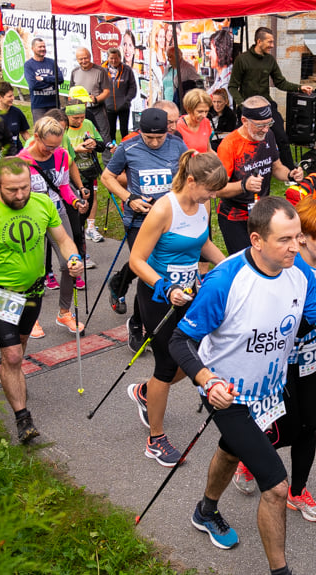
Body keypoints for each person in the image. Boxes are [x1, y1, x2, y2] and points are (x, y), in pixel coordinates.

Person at [169, 196, 316, 573]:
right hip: (227, 392)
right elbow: (181, 341)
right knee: (275, 487)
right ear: (257, 240)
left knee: (230, 449)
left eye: (297, 237)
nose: (297, 246)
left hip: (268, 389)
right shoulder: (225, 280)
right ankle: (281, 571)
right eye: (286, 240)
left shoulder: (300, 274)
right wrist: (207, 381)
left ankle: (205, 510)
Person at [231, 195, 316, 524]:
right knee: (283, 429)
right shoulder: (289, 266)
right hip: (278, 362)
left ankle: (298, 490)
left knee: (309, 426)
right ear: (302, 236)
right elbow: (284, 322)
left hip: (311, 359)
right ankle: (249, 457)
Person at [0, 157, 84, 442]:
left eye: (24, 187)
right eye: (12, 190)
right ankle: (23, 418)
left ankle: (12, 378)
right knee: (10, 354)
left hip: (34, 292)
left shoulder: (43, 203)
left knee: (19, 349)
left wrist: (73, 257)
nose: (20, 195)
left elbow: (62, 239)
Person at [127, 150, 227, 466]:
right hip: (158, 296)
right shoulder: (163, 210)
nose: (213, 196)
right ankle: (155, 439)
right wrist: (164, 286)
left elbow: (202, 244)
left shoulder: (203, 205)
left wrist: (228, 265)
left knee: (192, 357)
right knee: (168, 364)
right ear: (192, 180)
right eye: (210, 189)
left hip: (189, 293)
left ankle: (147, 392)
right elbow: (136, 260)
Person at [101, 107, 188, 352]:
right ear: (140, 132)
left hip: (170, 219)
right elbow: (107, 177)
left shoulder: (177, 146)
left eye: (159, 137)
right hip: (140, 220)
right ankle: (139, 323)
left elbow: (186, 175)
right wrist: (129, 198)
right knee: (147, 269)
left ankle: (120, 284)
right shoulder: (128, 148)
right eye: (149, 138)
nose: (154, 142)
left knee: (156, 268)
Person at [18, 117, 89, 336]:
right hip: (31, 220)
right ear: (36, 137)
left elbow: (64, 187)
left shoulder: (62, 155)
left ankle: (64, 312)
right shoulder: (22, 160)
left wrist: (76, 201)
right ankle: (30, 317)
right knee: (34, 270)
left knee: (71, 262)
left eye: (56, 146)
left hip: (57, 214)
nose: (52, 150)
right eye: (48, 146)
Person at [215, 96, 303, 254]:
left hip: (261, 213)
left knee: (265, 258)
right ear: (244, 120)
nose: (265, 129)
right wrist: (244, 185)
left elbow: (276, 167)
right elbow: (217, 189)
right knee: (244, 263)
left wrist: (290, 174)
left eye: (269, 124)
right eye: (260, 125)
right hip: (235, 216)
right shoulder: (229, 145)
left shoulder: (267, 136)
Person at [229, 26, 314, 170]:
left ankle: (290, 170)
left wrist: (299, 87)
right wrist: (243, 106)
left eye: (272, 42)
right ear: (259, 41)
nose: (272, 45)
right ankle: (241, 168)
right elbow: (232, 86)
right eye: (269, 42)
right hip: (247, 110)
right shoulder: (242, 60)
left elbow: (280, 82)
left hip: (266, 107)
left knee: (281, 136)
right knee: (242, 140)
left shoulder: (270, 60)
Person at [65, 101, 108, 243]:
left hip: (89, 172)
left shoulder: (88, 123)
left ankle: (84, 237)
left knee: (86, 209)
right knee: (74, 213)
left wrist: (94, 144)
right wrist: (75, 150)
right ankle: (76, 246)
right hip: (71, 176)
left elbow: (101, 145)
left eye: (82, 117)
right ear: (67, 116)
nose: (79, 121)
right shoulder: (63, 128)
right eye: (75, 118)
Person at [70, 47, 112, 144]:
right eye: (81, 59)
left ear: (90, 57)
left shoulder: (100, 71)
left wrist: (96, 99)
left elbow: (107, 91)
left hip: (97, 109)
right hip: (79, 110)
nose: (84, 61)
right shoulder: (74, 72)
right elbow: (71, 92)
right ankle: (88, 155)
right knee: (81, 134)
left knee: (103, 135)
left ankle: (107, 159)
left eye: (86, 58)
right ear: (77, 59)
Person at [25, 38, 63, 123]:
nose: (43, 49)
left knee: (56, 129)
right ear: (33, 48)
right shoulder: (28, 65)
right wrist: (52, 82)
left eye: (44, 46)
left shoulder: (51, 62)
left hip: (54, 104)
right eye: (40, 47)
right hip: (38, 106)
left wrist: (43, 79)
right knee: (41, 131)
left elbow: (60, 79)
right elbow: (33, 85)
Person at [103, 47, 137, 141]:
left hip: (123, 107)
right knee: (111, 130)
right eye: (111, 58)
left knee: (124, 130)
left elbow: (133, 87)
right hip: (108, 106)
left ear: (120, 58)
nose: (114, 61)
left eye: (116, 58)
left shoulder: (127, 70)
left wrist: (126, 100)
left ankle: (125, 147)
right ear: (108, 58)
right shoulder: (102, 70)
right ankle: (113, 149)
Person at [0, 81, 31, 154]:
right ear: (0, 97)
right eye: (9, 96)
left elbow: (24, 132)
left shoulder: (17, 112)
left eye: (13, 95)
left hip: (17, 153)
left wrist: (32, 145)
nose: (13, 98)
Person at [176, 89, 213, 153]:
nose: (204, 115)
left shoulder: (206, 122)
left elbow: (208, 149)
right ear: (189, 109)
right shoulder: (178, 127)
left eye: (206, 111)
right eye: (200, 111)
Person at [206, 28, 233, 103]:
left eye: (211, 50)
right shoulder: (219, 74)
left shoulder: (228, 80)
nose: (209, 55)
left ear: (220, 51)